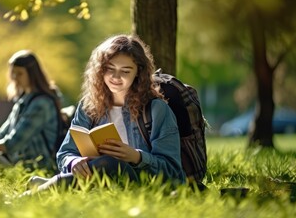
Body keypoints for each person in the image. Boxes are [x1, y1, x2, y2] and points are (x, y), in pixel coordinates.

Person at [26, 34, 185, 194]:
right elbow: (65, 153)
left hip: (143, 186)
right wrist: (74, 162)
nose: (116, 77)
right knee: (104, 166)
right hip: (102, 183)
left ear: (138, 72)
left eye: (125, 71)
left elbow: (173, 171)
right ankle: (55, 185)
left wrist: (136, 157)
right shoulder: (89, 105)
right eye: (110, 69)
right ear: (100, 70)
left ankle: (39, 191)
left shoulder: (156, 109)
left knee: (110, 163)